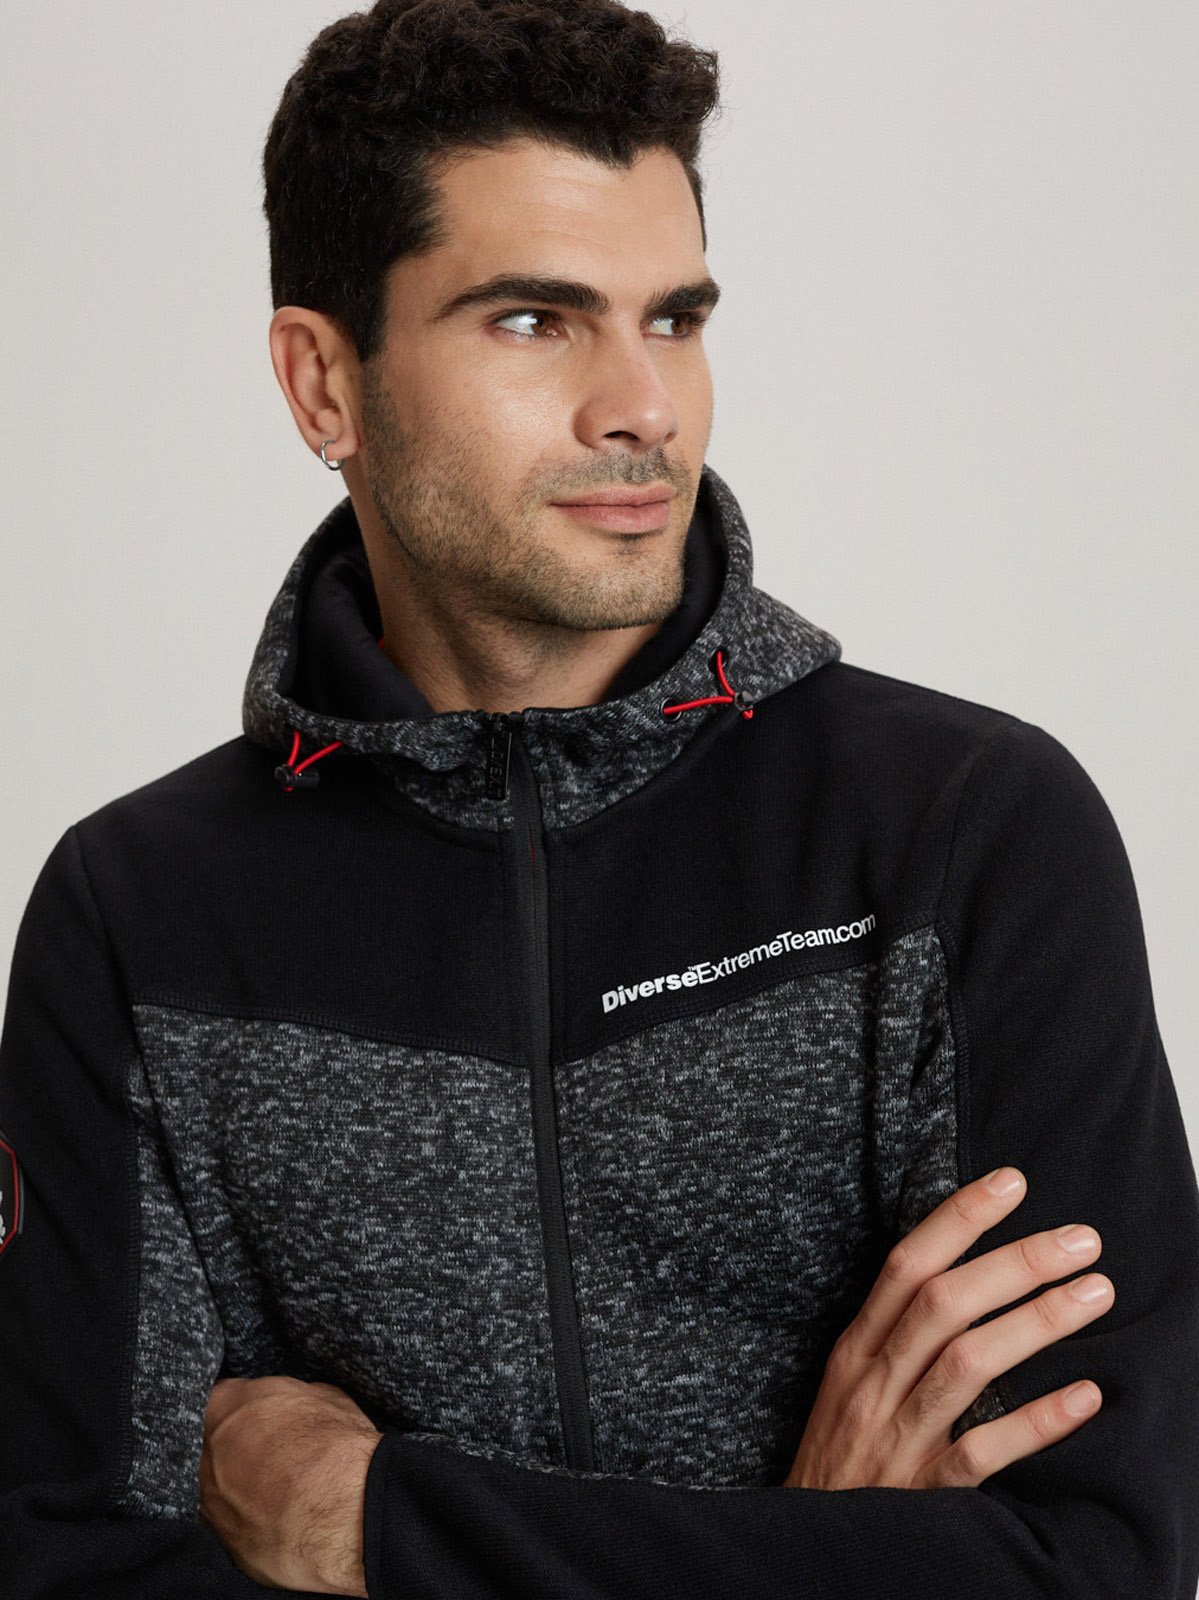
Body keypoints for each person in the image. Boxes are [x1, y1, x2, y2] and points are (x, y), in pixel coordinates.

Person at [1, 0, 1197, 1594]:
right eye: (533, 321)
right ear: (323, 382)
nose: (645, 407)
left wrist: (371, 1525)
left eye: (675, 318)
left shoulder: (964, 837)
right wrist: (820, 1547)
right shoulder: (138, 918)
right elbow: (74, 1570)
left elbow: (1096, 1563)